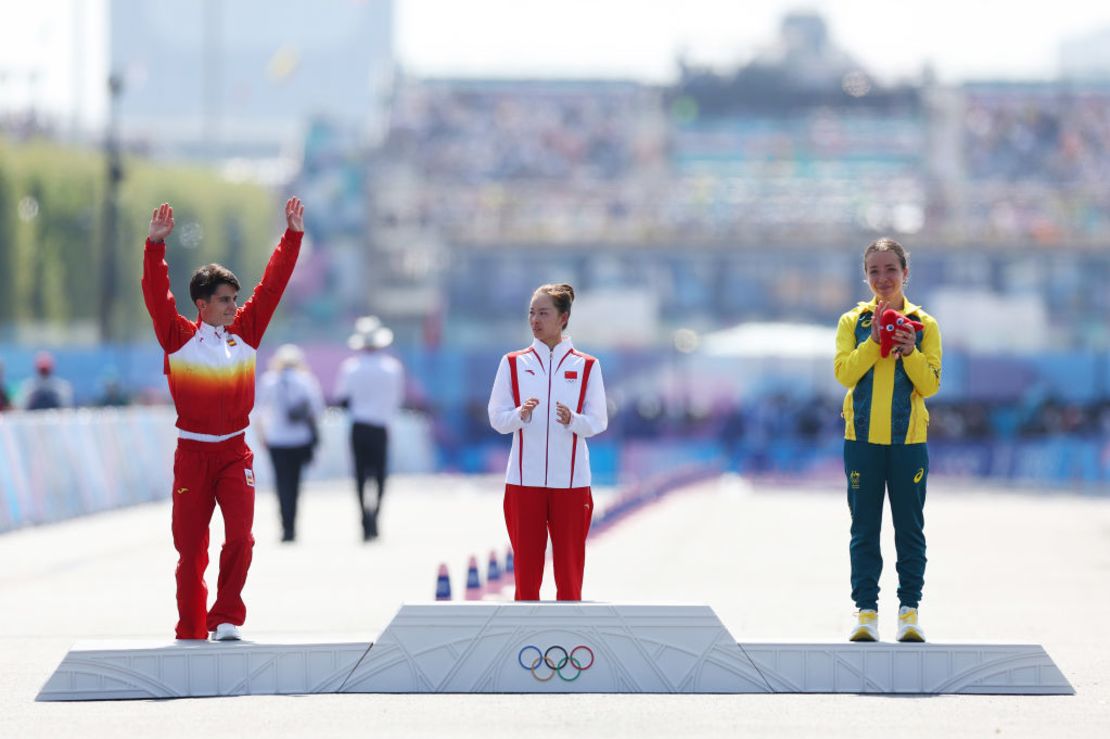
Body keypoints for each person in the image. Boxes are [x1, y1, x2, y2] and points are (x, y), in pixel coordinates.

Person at [141, 198, 304, 641]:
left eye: (235, 299)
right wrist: (154, 248)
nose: (234, 306)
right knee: (192, 551)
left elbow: (271, 288)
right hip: (192, 455)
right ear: (201, 304)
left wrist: (291, 238)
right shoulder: (178, 338)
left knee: (241, 537)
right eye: (225, 300)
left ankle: (226, 616)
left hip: (235, 452)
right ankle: (191, 626)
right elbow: (158, 299)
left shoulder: (246, 334)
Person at [834, 238, 942, 643]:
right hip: (860, 441)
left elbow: (930, 384)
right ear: (865, 276)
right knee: (864, 529)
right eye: (875, 271)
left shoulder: (924, 325)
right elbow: (844, 375)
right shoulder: (852, 322)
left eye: (891, 270)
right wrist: (874, 340)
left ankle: (909, 612)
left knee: (909, 529)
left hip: (908, 444)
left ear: (905, 274)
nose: (883, 278)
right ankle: (865, 613)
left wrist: (909, 350)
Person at [487, 283, 608, 601]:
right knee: (526, 578)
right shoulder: (513, 363)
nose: (535, 320)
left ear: (563, 317)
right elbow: (497, 418)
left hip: (571, 484)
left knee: (569, 576)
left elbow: (599, 421)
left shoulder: (586, 366)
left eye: (543, 313)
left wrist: (574, 421)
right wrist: (519, 416)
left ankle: (570, 645)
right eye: (531, 313)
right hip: (523, 483)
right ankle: (525, 646)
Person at [334, 316, 403, 541]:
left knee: (361, 476)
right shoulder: (392, 368)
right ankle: (376, 515)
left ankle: (364, 518)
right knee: (380, 475)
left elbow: (342, 399)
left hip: (359, 426)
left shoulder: (351, 367)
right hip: (380, 426)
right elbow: (397, 400)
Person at [256, 344, 324, 543]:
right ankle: (293, 526)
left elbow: (259, 413)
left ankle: (284, 526)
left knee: (281, 484)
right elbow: (317, 411)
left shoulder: (269, 381)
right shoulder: (306, 381)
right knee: (295, 484)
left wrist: (262, 436)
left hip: (276, 440)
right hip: (299, 440)